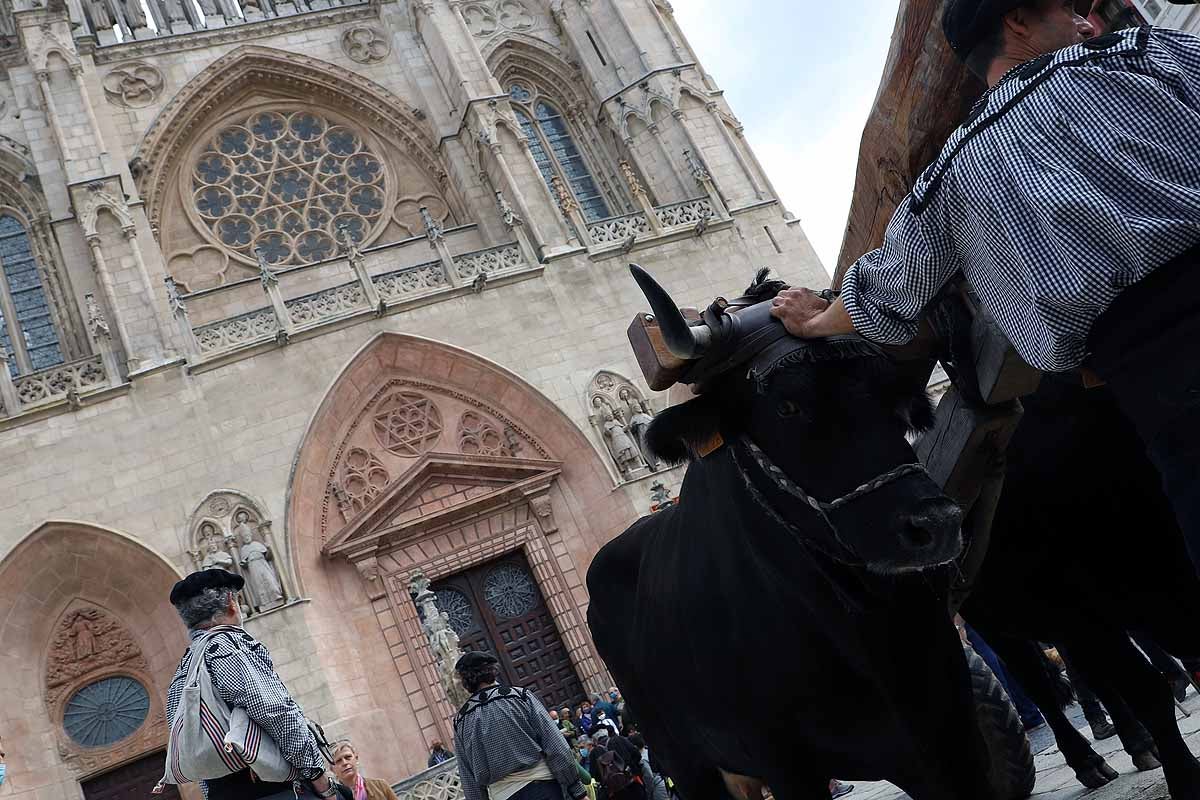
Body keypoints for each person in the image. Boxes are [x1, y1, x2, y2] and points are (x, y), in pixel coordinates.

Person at [769, 0, 1200, 569]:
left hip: (1158, 382)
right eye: (1064, 9)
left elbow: (888, 290)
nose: (1081, 19)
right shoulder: (1148, 56)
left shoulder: (952, 173)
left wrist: (815, 319)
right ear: (1016, 23)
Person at [166, 569, 338, 800]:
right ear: (230, 602)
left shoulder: (184, 669)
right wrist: (319, 777)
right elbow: (276, 712)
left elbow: (195, 748)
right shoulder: (228, 645)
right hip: (273, 788)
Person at [452, 651, 587, 800]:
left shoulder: (461, 721)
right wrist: (576, 788)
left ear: (465, 682)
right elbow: (556, 746)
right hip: (544, 788)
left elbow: (469, 780)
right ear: (492, 671)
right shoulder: (520, 697)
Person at [330, 740, 399, 800]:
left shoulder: (380, 786)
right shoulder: (333, 797)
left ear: (356, 758)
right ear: (332, 769)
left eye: (348, 757)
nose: (345, 763)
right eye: (338, 761)